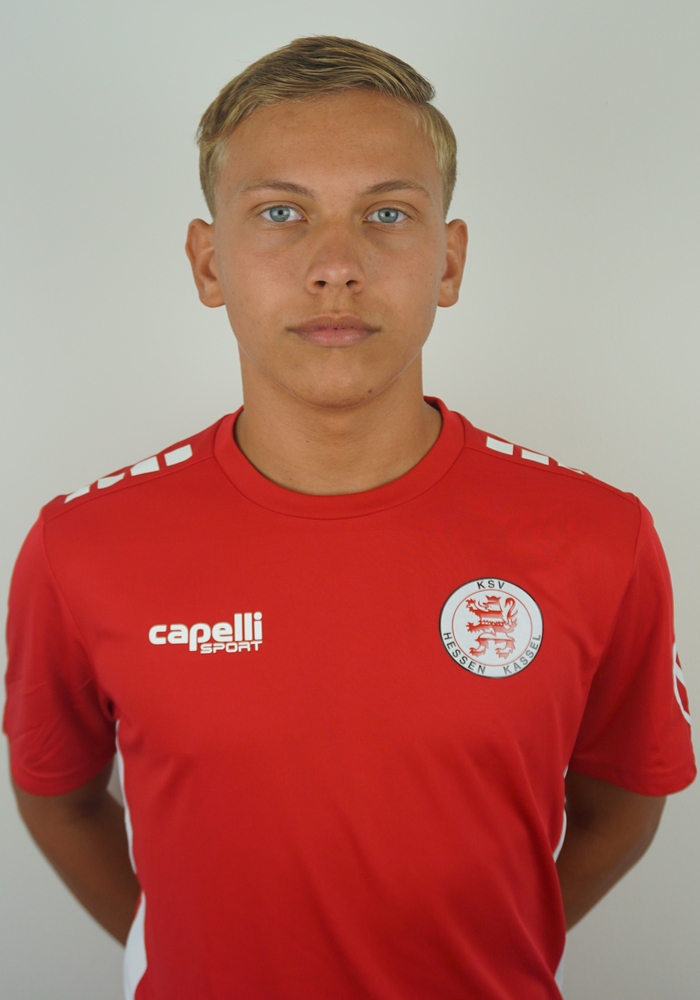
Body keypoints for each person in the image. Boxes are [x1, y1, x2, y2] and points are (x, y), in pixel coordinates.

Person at [3, 35, 695, 1000]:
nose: (336, 265)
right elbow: (57, 794)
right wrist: (186, 948)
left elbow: (625, 798)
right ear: (208, 262)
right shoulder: (81, 547)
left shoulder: (599, 536)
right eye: (281, 213)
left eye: (388, 214)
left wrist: (492, 942)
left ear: (449, 260)